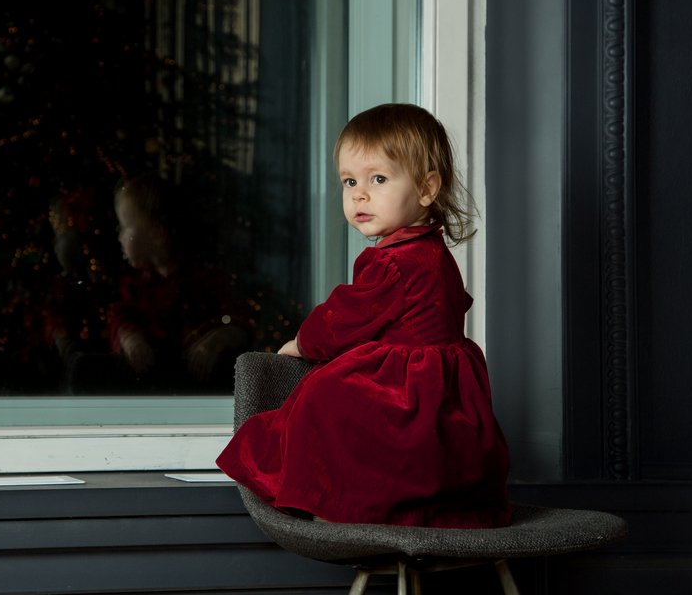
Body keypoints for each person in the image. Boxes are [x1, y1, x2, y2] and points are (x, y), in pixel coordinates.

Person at [216, 104, 512, 528]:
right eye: (349, 181)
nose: (359, 194)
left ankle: (335, 500)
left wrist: (301, 343)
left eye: (378, 179)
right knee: (347, 406)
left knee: (323, 397)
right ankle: (413, 504)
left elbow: (342, 319)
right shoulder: (434, 252)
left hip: (413, 389)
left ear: (426, 188)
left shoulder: (393, 262)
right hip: (447, 385)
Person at [108, 172, 248, 391]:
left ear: (156, 232)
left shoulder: (203, 279)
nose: (120, 236)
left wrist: (219, 338)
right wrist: (129, 337)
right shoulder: (135, 284)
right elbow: (120, 316)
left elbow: (238, 318)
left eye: (125, 226)